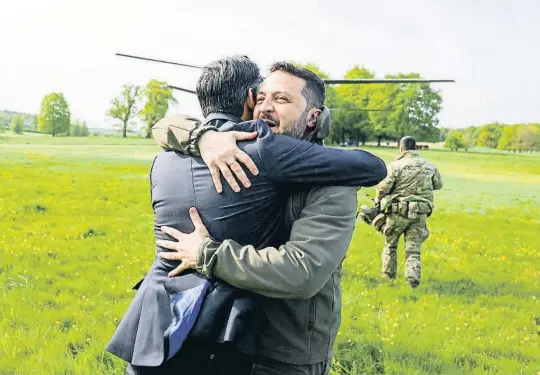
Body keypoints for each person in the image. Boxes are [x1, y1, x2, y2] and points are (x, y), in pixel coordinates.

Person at [106, 56, 387, 375]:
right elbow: (164, 125)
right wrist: (202, 136)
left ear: (313, 118)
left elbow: (302, 271)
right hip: (221, 339)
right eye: (263, 97)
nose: (266, 107)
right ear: (249, 100)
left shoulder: (331, 182)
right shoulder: (233, 150)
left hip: (282, 349)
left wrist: (206, 254)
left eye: (281, 99)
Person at [372, 136, 443, 288]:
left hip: (398, 212)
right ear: (415, 147)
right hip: (420, 213)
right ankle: (412, 281)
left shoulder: (395, 166)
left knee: (390, 245)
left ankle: (388, 277)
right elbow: (438, 184)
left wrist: (377, 201)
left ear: (401, 148)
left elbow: (383, 187)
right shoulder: (429, 166)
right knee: (413, 250)